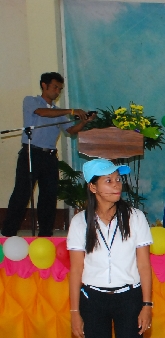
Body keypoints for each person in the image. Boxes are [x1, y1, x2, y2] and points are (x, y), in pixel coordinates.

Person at [66, 158, 153, 338]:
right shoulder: (80, 222)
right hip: (93, 300)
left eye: (118, 179)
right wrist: (75, 312)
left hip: (130, 298)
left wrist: (147, 304)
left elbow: (144, 265)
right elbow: (76, 270)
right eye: (109, 181)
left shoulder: (135, 217)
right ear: (93, 187)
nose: (117, 185)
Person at [2, 72, 94, 237]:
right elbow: (42, 113)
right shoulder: (31, 101)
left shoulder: (59, 112)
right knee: (22, 194)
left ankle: (45, 234)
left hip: (50, 157)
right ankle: (8, 233)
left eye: (60, 89)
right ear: (44, 85)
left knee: (49, 196)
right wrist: (72, 110)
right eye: (55, 87)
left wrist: (84, 122)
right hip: (31, 153)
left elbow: (71, 131)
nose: (57, 92)